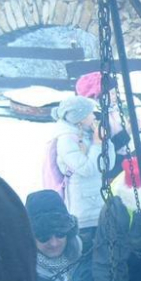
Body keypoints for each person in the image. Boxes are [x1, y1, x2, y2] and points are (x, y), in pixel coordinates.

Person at [52, 95, 115, 248]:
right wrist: (98, 145)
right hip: (84, 211)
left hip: (97, 203)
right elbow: (87, 169)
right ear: (79, 118)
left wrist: (105, 141)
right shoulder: (66, 140)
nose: (94, 116)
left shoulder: (87, 134)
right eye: (90, 113)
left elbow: (108, 165)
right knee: (87, 254)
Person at [75, 71, 131, 180]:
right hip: (111, 169)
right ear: (98, 96)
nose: (115, 96)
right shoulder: (95, 117)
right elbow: (107, 146)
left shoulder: (111, 110)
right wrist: (127, 132)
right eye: (112, 93)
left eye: (115, 92)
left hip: (121, 161)